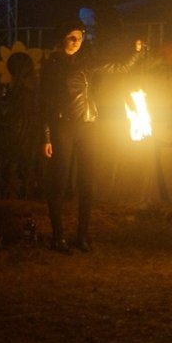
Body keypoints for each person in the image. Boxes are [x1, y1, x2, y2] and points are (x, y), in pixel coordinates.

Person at [39, 21, 139, 254]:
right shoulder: (51, 65)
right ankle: (58, 238)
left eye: (79, 37)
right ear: (63, 39)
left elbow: (119, 67)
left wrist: (136, 52)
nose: (76, 42)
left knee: (87, 182)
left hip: (88, 125)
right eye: (71, 37)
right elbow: (43, 103)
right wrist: (46, 137)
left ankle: (82, 236)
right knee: (59, 183)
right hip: (63, 127)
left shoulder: (86, 62)